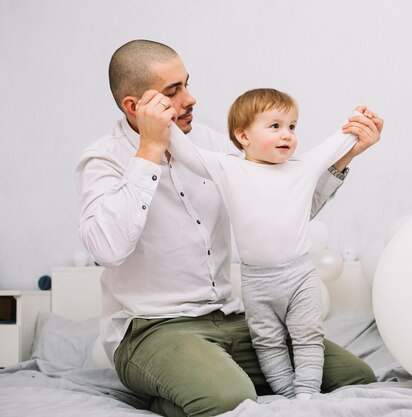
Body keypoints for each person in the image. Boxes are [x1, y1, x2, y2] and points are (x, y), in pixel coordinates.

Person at [75, 39, 383, 417]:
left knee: (355, 376)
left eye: (186, 84)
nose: (190, 99)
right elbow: (106, 249)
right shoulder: (103, 159)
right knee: (228, 399)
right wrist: (150, 149)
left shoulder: (213, 146)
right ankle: (184, 388)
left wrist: (344, 157)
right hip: (153, 329)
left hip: (232, 319)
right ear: (134, 106)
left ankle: (199, 382)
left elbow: (283, 211)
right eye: (174, 91)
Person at [167, 88, 380, 400]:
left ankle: (307, 395)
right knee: (267, 342)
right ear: (243, 135)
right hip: (257, 281)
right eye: (275, 126)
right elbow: (186, 152)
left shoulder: (302, 167)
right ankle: (285, 394)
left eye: (292, 127)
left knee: (308, 335)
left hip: (299, 276)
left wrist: (358, 123)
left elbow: (336, 143)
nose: (287, 135)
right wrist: (162, 120)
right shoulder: (229, 168)